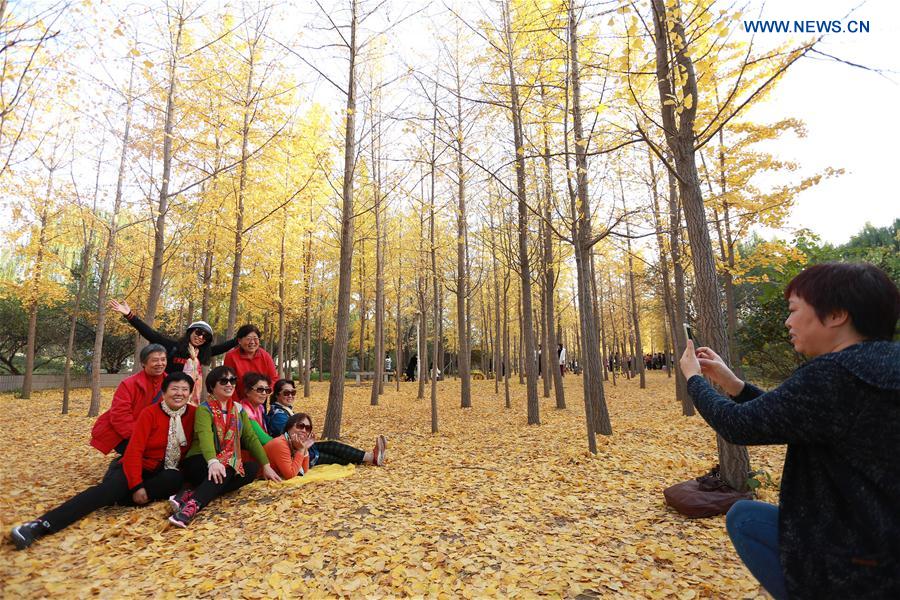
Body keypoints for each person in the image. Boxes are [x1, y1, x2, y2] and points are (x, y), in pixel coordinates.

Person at [679, 262, 900, 599]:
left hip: (854, 566)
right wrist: (733, 384)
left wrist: (694, 380)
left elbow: (738, 426)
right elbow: (793, 415)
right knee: (747, 517)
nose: (788, 321)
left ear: (837, 314)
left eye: (794, 310)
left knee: (745, 519)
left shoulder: (833, 374)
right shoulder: (879, 366)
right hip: (882, 547)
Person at [11, 372, 197, 550]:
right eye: (174, 389)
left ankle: (121, 497)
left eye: (184, 389)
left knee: (174, 478)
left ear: (190, 393)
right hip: (136, 464)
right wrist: (136, 486)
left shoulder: (193, 414)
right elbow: (134, 451)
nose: (179, 393)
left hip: (163, 469)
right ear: (164, 393)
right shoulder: (150, 414)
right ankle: (40, 525)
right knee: (106, 492)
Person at [169, 365, 281, 528]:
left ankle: (190, 494)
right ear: (212, 386)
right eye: (224, 381)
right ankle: (192, 507)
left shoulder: (238, 409)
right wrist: (213, 461)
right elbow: (205, 436)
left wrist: (266, 465)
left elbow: (250, 438)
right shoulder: (204, 409)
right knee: (229, 464)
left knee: (250, 469)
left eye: (233, 380)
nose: (230, 384)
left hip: (225, 464)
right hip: (200, 461)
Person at [109, 300, 236, 403]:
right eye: (198, 332)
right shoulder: (173, 347)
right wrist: (129, 315)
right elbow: (151, 334)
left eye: (206, 336)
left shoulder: (201, 354)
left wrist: (242, 337)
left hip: (189, 398)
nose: (201, 337)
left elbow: (224, 346)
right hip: (165, 396)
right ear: (190, 332)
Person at [90, 343, 168, 455]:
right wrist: (139, 438)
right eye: (155, 360)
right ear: (143, 363)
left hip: (155, 434)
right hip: (128, 434)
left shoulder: (171, 383)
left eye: (163, 359)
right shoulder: (129, 384)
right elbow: (120, 415)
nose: (160, 364)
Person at [223, 325, 278, 400]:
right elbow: (228, 381)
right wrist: (236, 404)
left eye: (255, 339)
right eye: (248, 339)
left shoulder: (265, 356)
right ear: (239, 341)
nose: (252, 342)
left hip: (260, 401)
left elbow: (273, 378)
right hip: (238, 400)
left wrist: (265, 392)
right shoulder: (231, 356)